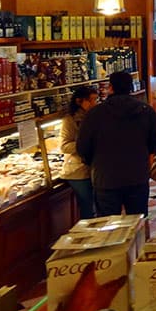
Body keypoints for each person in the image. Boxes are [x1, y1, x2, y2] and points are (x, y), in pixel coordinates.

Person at [77, 71, 156, 217]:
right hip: (137, 174)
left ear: (110, 87)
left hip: (105, 177)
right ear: (131, 87)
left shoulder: (95, 114)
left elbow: (83, 147)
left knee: (108, 226)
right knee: (138, 222)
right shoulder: (145, 111)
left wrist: (93, 161)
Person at [59, 85, 99, 219]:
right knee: (87, 208)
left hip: (93, 168)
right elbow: (64, 146)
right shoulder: (69, 120)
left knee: (95, 206)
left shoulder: (94, 117)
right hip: (77, 171)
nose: (95, 103)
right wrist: (85, 145)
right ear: (79, 101)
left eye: (96, 99)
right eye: (91, 100)